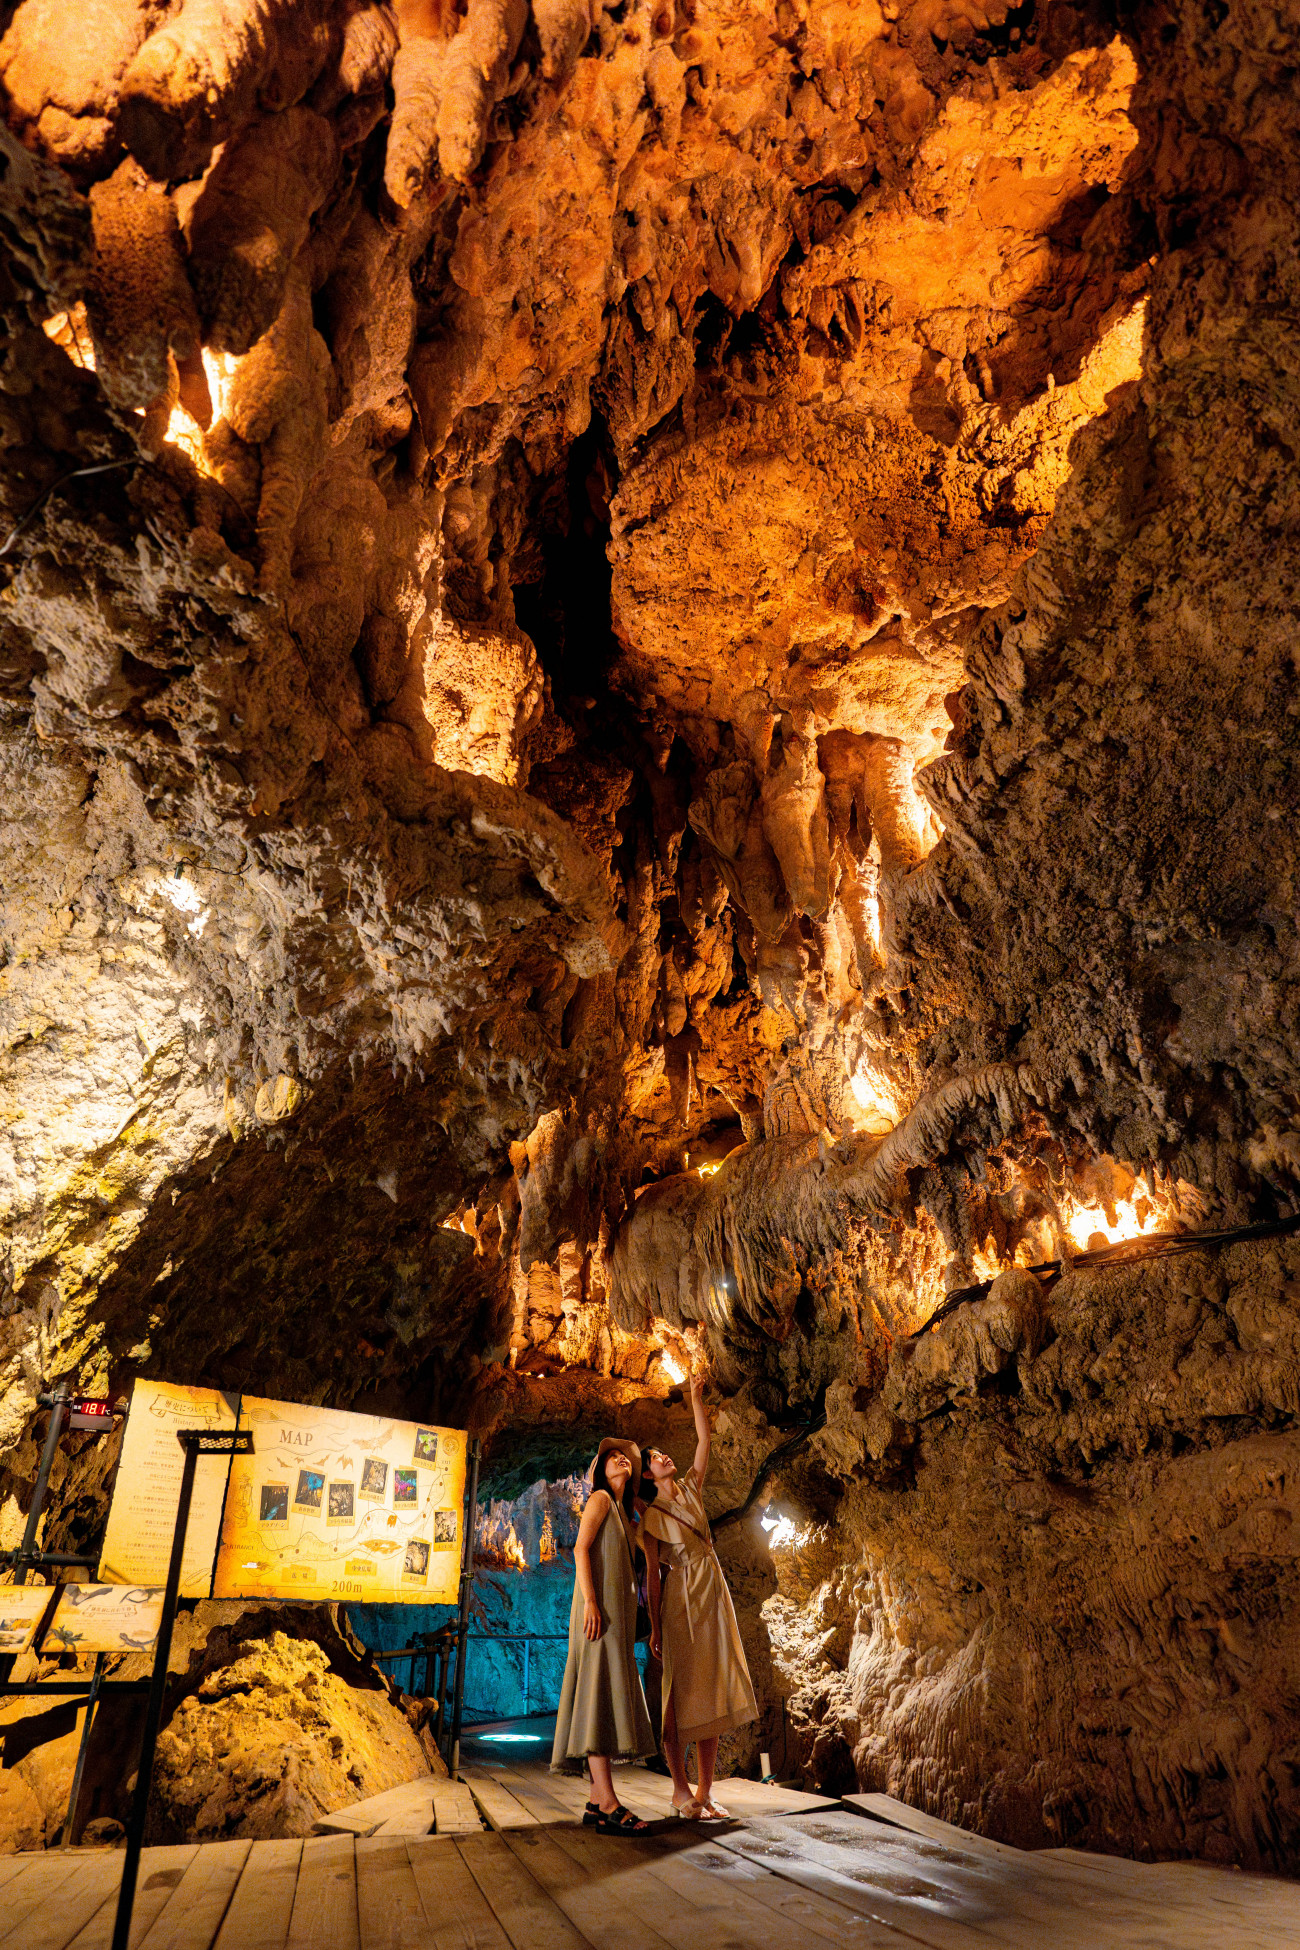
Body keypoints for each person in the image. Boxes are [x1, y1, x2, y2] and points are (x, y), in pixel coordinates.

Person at [641, 1365, 758, 1819]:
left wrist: (695, 1395)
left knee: (712, 1685)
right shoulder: (652, 1516)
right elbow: (652, 1574)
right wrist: (653, 1624)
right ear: (649, 1476)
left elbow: (704, 1442)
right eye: (655, 1459)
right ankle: (679, 1789)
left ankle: (707, 1791)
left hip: (713, 1589)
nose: (664, 1458)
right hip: (682, 1597)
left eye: (662, 1454)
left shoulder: (691, 1488)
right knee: (679, 1688)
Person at [551, 1435, 657, 1832]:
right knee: (597, 1696)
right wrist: (592, 1602)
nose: (621, 1460)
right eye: (612, 1457)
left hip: (616, 1618)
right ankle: (611, 1803)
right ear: (599, 1470)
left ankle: (596, 1801)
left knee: (605, 1694)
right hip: (599, 1614)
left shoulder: (621, 1511)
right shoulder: (598, 1500)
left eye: (626, 1458)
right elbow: (581, 1549)